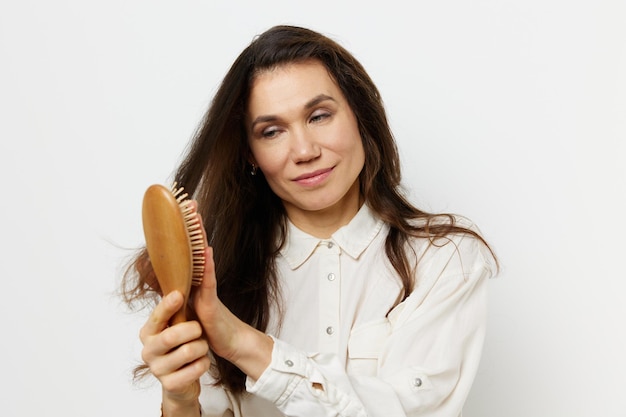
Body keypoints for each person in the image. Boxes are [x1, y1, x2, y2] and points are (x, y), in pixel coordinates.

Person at [122, 24, 498, 417]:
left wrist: (239, 340)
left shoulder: (443, 260)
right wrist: (180, 398)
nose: (303, 150)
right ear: (251, 154)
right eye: (271, 131)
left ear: (360, 116)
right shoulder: (223, 278)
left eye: (319, 116)